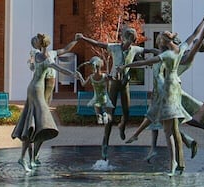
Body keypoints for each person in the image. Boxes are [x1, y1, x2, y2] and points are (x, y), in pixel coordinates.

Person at [120, 31, 194, 175]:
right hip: (168, 90)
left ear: (164, 42)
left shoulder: (165, 56)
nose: (158, 42)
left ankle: (176, 158)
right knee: (167, 126)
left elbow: (144, 62)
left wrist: (125, 66)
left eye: (159, 40)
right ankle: (175, 158)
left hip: (165, 91)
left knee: (163, 124)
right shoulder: (175, 51)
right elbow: (192, 37)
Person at [12, 33, 81, 172]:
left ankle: (27, 158)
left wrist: (74, 41)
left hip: (31, 88)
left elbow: (32, 67)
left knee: (32, 122)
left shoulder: (36, 55)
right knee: (39, 122)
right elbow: (60, 69)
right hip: (38, 90)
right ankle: (25, 158)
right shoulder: (47, 59)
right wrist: (74, 74)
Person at [75, 27, 145, 159]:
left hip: (125, 83)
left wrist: (165, 52)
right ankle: (105, 143)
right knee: (109, 114)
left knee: (127, 111)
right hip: (114, 82)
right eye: (128, 39)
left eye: (132, 40)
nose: (130, 43)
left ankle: (122, 126)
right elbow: (97, 44)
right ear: (123, 38)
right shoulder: (114, 47)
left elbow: (148, 50)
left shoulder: (135, 50)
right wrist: (83, 38)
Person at [81, 57, 113, 125]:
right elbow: (109, 85)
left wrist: (80, 76)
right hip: (104, 97)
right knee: (106, 108)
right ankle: (105, 114)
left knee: (97, 107)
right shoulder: (104, 76)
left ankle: (99, 116)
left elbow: (83, 84)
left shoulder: (91, 77)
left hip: (96, 98)